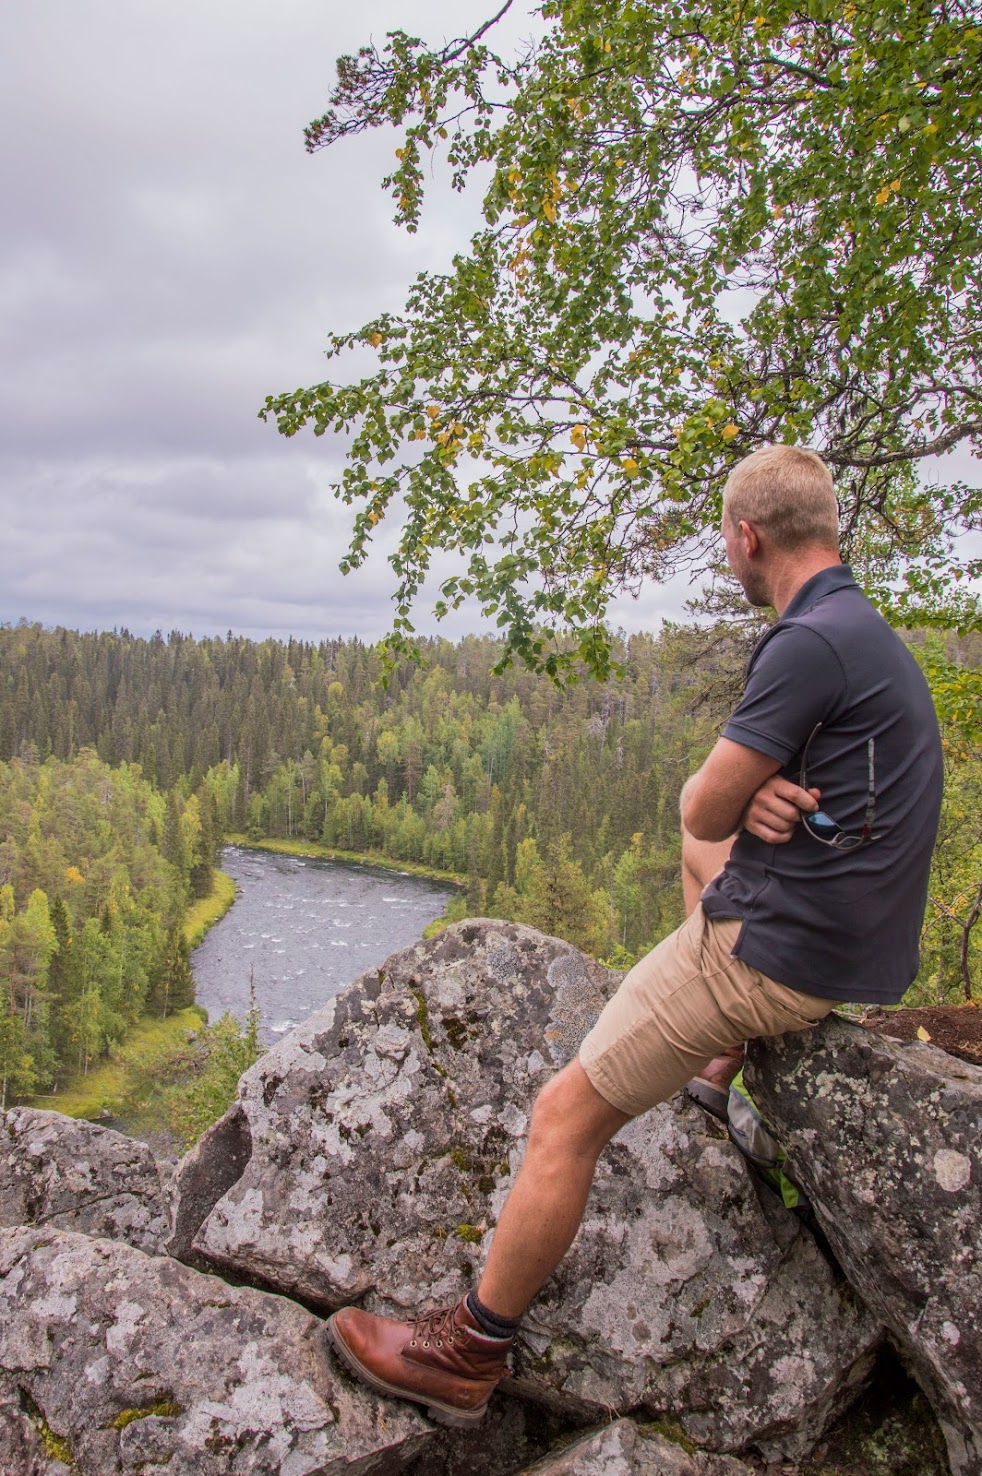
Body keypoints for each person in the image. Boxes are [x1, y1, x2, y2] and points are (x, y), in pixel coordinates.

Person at [325, 445, 944, 1428]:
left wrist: (742, 794)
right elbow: (760, 810)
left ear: (746, 538)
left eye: (727, 542)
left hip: (769, 957)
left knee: (564, 1114)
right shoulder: (858, 627)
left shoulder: (804, 643)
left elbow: (703, 802)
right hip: (844, 946)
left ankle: (467, 1355)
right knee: (712, 832)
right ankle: (713, 1063)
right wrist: (766, 795)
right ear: (823, 529)